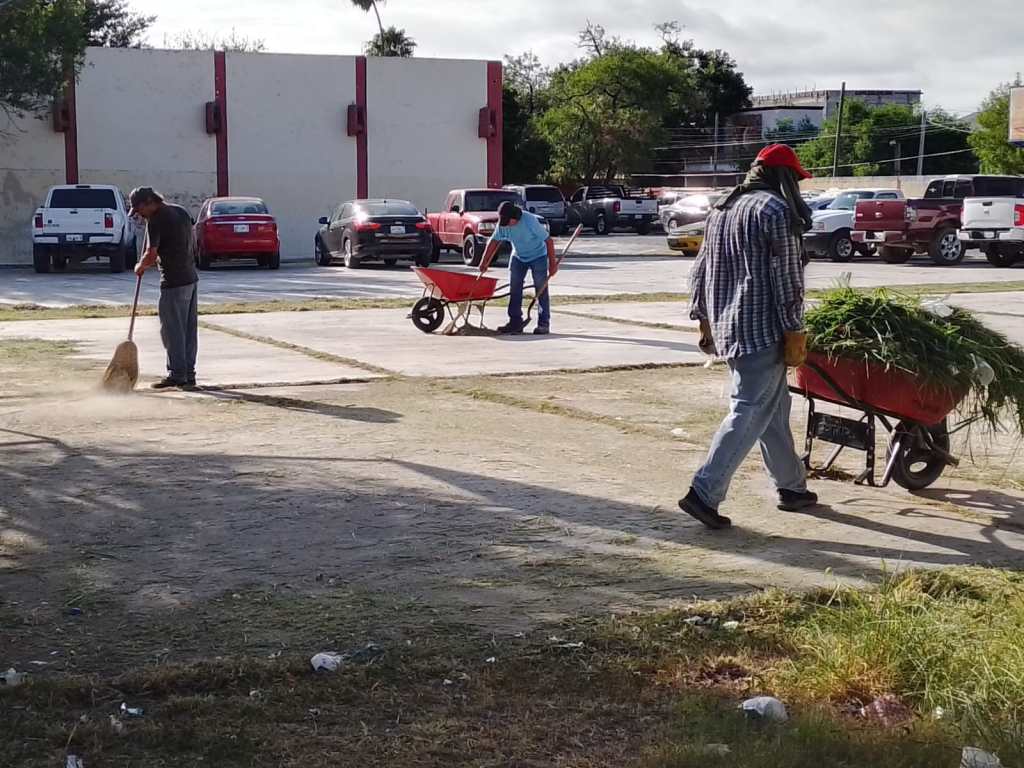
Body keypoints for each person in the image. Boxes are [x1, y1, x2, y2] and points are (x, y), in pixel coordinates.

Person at [680, 144, 819, 530]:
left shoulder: (723, 207)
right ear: (783, 177)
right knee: (748, 409)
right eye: (795, 179)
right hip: (763, 330)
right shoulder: (775, 210)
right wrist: (794, 329)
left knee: (773, 409)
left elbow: (700, 269)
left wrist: (703, 319)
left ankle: (791, 487)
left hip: (728, 325)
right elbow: (787, 277)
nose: (797, 187)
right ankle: (704, 492)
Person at [129, 187, 199, 390]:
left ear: (149, 202)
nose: (140, 215)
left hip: (173, 281)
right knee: (188, 331)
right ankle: (189, 374)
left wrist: (140, 266)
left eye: (139, 209)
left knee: (172, 331)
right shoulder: (181, 211)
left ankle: (177, 374)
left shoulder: (156, 220)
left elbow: (151, 255)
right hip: (190, 278)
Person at [478, 201, 558, 335]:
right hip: (518, 256)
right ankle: (515, 322)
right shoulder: (503, 225)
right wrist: (484, 261)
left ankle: (543, 324)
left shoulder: (530, 221)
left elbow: (548, 241)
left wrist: (552, 264)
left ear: (516, 217)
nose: (507, 225)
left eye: (509, 222)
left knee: (541, 288)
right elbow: (494, 241)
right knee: (515, 288)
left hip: (538, 255)